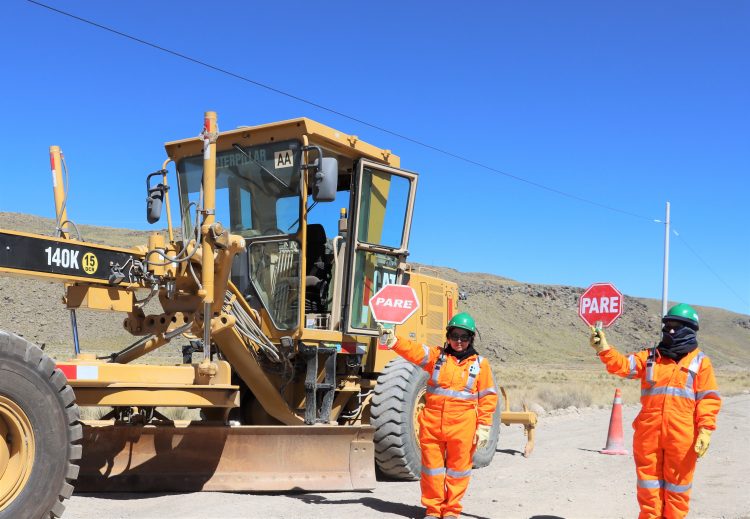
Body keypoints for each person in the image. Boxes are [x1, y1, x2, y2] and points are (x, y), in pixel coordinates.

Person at [589, 303, 721, 519]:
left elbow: (708, 399)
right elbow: (622, 365)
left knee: (677, 492)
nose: (670, 330)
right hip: (648, 435)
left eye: (676, 326)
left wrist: (706, 429)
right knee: (648, 491)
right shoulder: (651, 357)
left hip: (682, 439)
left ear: (690, 329)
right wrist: (604, 349)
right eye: (667, 325)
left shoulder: (700, 362)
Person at [378, 312, 498, 519]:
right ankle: (433, 510)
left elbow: (488, 397)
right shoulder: (436, 357)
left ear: (471, 339)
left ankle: (451, 511)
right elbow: (414, 350)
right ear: (448, 336)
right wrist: (394, 341)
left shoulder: (480, 365)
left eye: (464, 337)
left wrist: (484, 426)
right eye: (454, 336)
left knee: (457, 472)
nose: (458, 342)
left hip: (463, 428)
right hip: (432, 425)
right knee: (432, 471)